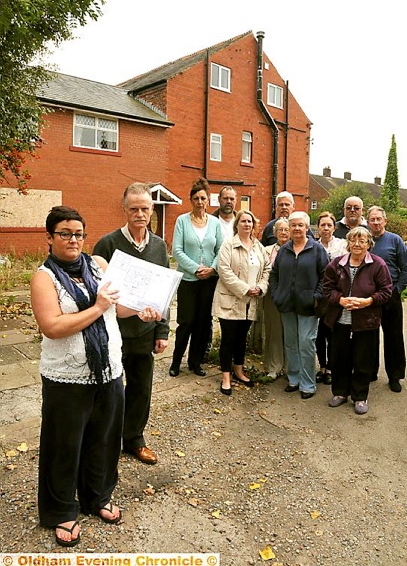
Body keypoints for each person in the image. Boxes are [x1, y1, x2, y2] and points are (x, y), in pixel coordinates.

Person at [31, 206, 160, 547]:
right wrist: (98, 308)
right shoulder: (43, 277)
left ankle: (97, 497)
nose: (73, 240)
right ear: (49, 237)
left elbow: (118, 307)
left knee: (104, 439)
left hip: (108, 370)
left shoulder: (98, 265)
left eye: (78, 234)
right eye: (65, 233)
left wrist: (143, 309)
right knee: (65, 445)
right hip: (67, 377)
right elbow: (53, 326)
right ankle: (62, 510)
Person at [93, 182, 170, 465]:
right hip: (114, 332)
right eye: (134, 208)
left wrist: (162, 329)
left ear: (152, 210)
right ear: (124, 209)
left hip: (145, 333)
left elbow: (166, 291)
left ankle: (135, 440)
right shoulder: (108, 244)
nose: (140, 214)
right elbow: (95, 290)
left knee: (140, 389)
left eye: (145, 208)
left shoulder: (160, 246)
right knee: (109, 390)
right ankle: (106, 443)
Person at [323, 227, 392, 414]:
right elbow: (326, 288)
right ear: (348, 243)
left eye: (362, 241)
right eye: (353, 240)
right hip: (341, 321)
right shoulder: (337, 264)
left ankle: (360, 397)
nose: (357, 244)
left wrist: (368, 301)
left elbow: (386, 290)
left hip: (366, 321)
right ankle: (340, 393)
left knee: (363, 360)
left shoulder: (378, 264)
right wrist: (340, 299)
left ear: (369, 244)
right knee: (339, 359)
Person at [269, 211, 329, 399]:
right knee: (291, 343)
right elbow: (274, 275)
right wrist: (277, 294)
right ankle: (293, 379)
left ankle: (308, 384)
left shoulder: (317, 249)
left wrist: (316, 296)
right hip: (286, 304)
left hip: (308, 306)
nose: (296, 228)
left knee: (306, 343)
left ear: (306, 228)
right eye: (292, 225)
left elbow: (326, 277)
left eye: (300, 225)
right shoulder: (284, 250)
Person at [212, 210, 270, 395]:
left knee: (241, 339)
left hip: (250, 302)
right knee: (228, 339)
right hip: (231, 300)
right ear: (236, 225)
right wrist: (245, 288)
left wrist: (260, 287)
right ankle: (226, 377)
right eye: (243, 221)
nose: (247, 224)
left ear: (254, 225)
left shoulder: (258, 247)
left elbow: (267, 268)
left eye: (250, 221)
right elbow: (224, 271)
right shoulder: (228, 245)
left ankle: (239, 369)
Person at [170, 177, 223, 377]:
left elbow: (221, 249)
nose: (200, 202)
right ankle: (176, 362)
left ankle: (196, 362)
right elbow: (177, 250)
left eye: (203, 198)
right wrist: (195, 269)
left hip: (209, 281)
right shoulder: (182, 221)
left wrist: (211, 269)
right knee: (186, 322)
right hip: (189, 281)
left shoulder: (215, 223)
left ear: (208, 200)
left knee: (203, 322)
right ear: (190, 200)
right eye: (196, 198)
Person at [367, 205, 407, 392]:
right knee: (369, 335)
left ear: (385, 221)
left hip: (391, 296)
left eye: (378, 219)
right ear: (368, 222)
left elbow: (405, 267)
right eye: (372, 219)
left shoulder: (395, 240)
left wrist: (398, 289)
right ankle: (370, 371)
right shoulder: (364, 240)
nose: (375, 222)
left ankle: (395, 376)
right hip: (369, 298)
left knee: (393, 336)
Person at [315, 211, 347, 385]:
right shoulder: (313, 245)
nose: (326, 228)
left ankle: (331, 368)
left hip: (336, 294)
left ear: (334, 227)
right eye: (323, 225)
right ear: (318, 228)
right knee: (319, 334)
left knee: (333, 334)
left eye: (329, 225)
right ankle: (321, 366)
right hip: (320, 296)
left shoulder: (342, 245)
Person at [262, 218, 290, 381]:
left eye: (287, 229)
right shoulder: (266, 250)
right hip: (271, 296)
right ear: (275, 233)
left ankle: (289, 367)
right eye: (280, 229)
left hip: (290, 297)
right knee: (273, 331)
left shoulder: (296, 249)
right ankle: (273, 367)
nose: (284, 232)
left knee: (290, 331)